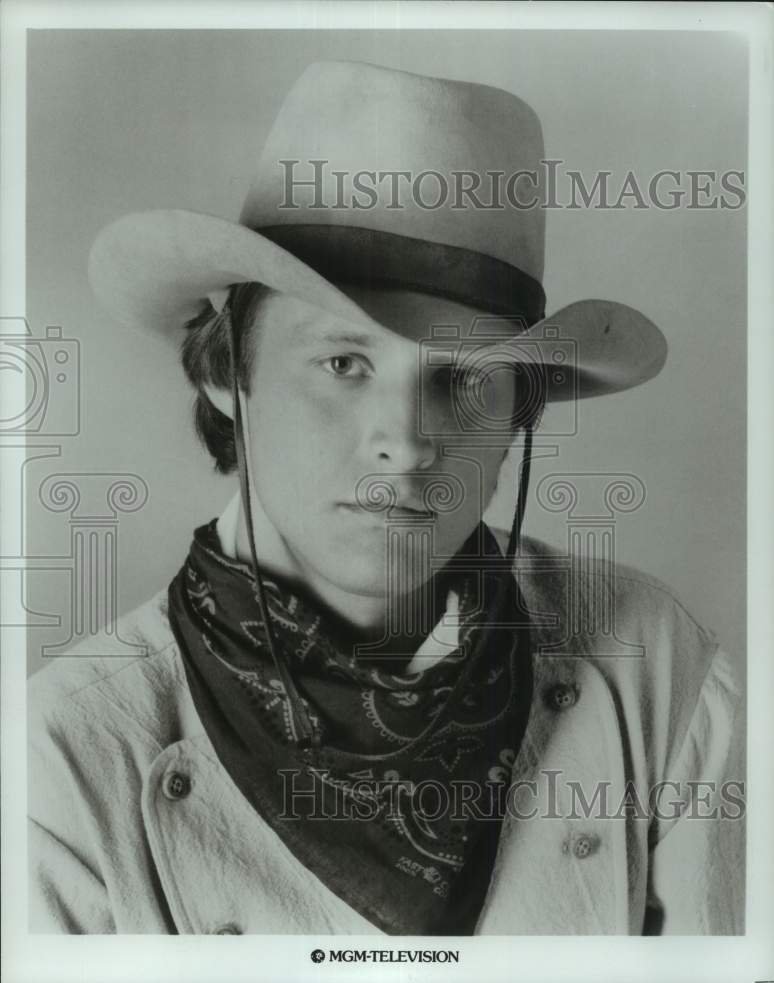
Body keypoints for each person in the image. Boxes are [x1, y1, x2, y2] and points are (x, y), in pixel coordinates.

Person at [28, 59, 744, 935]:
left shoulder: (655, 668)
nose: (405, 443)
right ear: (227, 373)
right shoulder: (60, 756)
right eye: (344, 363)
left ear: (520, 413)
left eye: (465, 380)